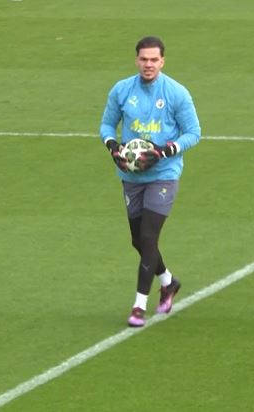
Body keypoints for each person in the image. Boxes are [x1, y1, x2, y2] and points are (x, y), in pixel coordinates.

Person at [99, 36, 201, 327]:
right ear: (136, 60)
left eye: (154, 60)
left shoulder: (176, 93)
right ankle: (169, 282)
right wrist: (113, 147)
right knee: (138, 239)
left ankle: (138, 306)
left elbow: (193, 132)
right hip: (131, 176)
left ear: (162, 61)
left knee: (148, 237)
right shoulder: (121, 90)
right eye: (144, 59)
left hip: (163, 175)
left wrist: (164, 151)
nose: (148, 64)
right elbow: (107, 124)